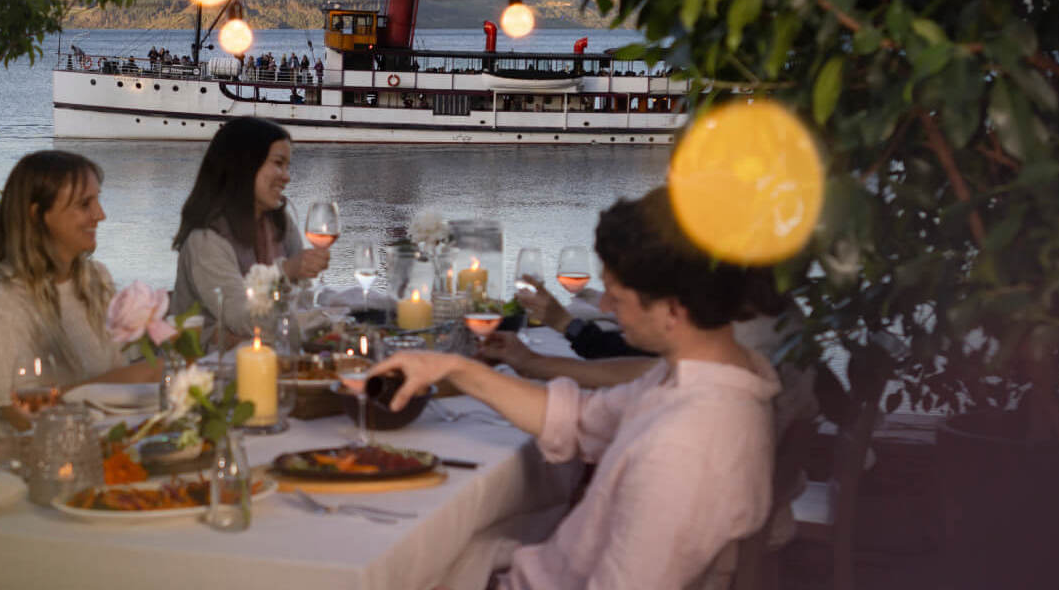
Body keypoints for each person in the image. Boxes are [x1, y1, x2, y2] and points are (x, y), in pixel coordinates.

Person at [367, 188, 780, 589]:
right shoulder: (701, 377)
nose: (604, 308)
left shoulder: (684, 448)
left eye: (616, 296)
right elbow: (580, 418)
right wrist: (453, 368)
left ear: (673, 308)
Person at [0, 150, 154, 437]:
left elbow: (123, 369)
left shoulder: (96, 280)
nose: (100, 215)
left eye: (97, 200)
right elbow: (18, 411)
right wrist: (128, 379)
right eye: (84, 204)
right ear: (37, 214)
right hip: (24, 460)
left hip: (103, 441)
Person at [172, 117, 330, 339]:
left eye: (287, 166)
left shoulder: (281, 223)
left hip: (275, 355)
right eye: (278, 163)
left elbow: (301, 303)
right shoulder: (206, 239)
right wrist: (285, 272)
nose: (286, 177)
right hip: (210, 367)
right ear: (244, 164)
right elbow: (243, 321)